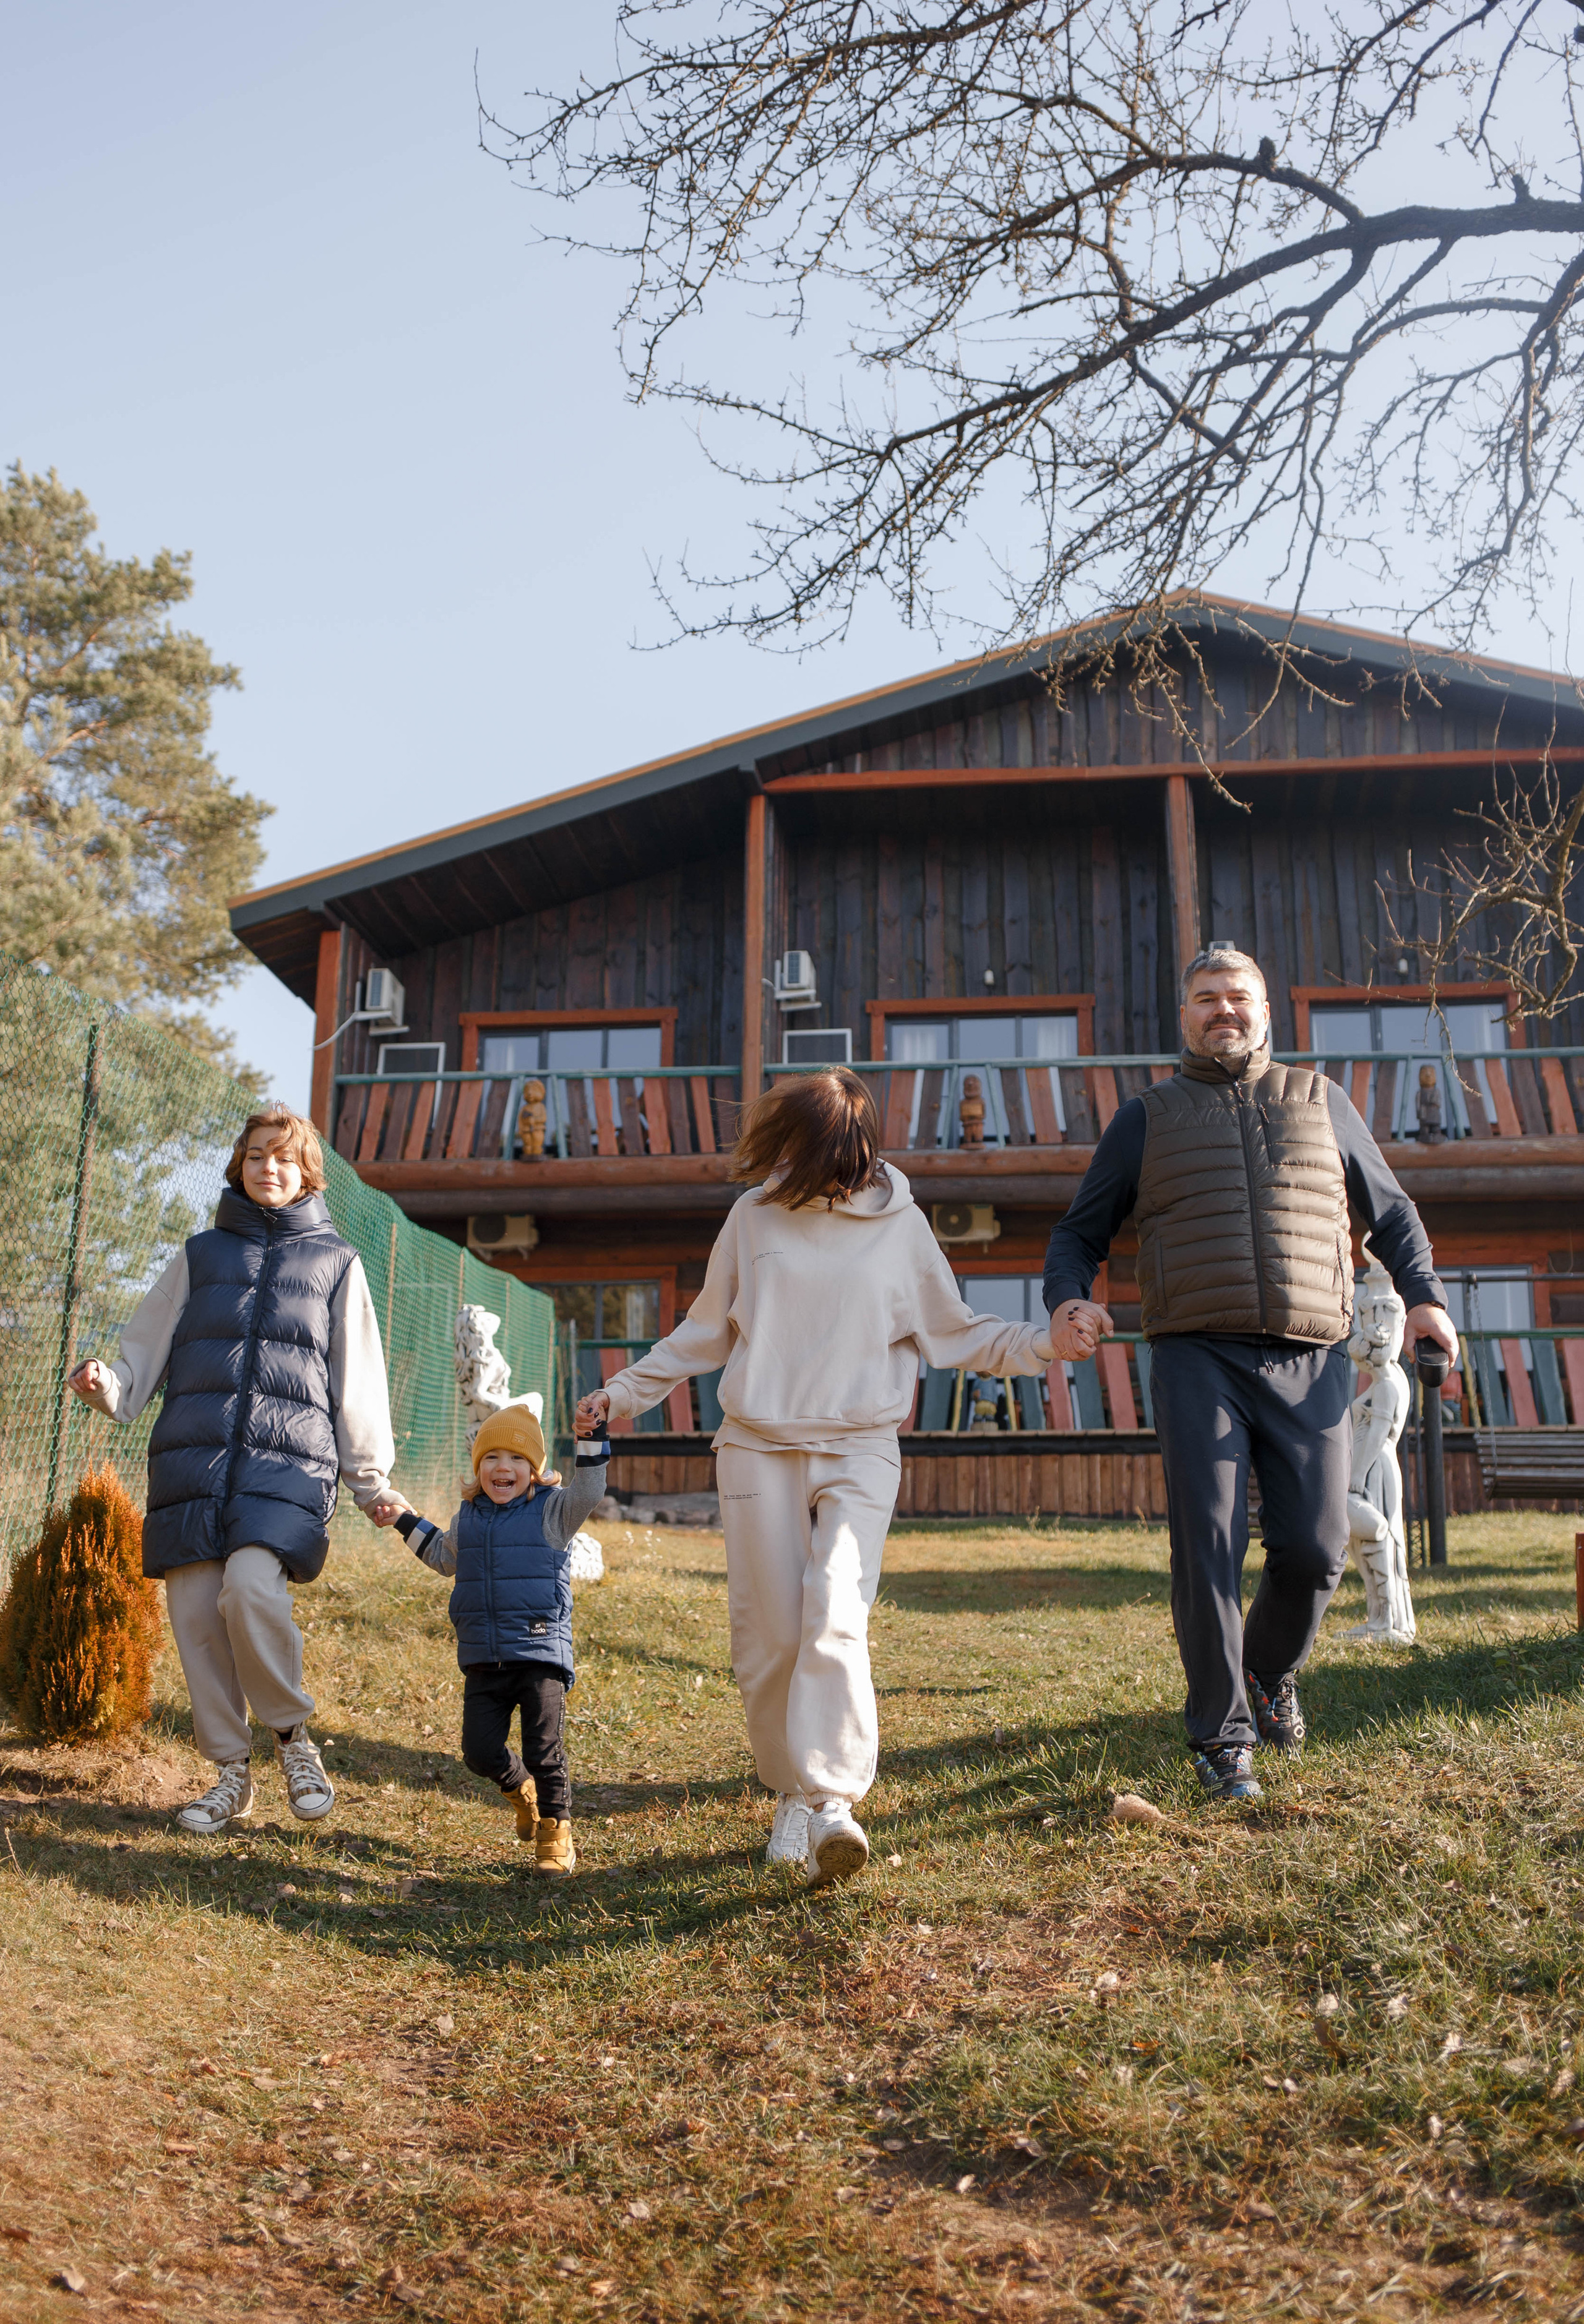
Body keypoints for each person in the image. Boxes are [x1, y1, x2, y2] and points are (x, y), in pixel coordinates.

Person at [574, 1067, 1057, 1888]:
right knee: (770, 1642)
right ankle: (791, 1791)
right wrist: (622, 1392)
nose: (827, 1177)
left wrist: (1047, 1346)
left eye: (839, 1160)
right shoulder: (754, 1215)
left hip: (861, 1447)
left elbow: (958, 1333)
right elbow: (702, 1334)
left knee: (835, 1610)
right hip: (757, 1445)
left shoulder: (901, 1227)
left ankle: (832, 1799)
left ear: (860, 1151)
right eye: (810, 1157)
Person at [1043, 945, 1457, 1803]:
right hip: (1199, 1352)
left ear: (1266, 1012)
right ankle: (1223, 1736)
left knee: (1315, 1547)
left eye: (1238, 997)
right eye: (1206, 998)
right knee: (1211, 1542)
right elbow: (1078, 1232)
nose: (1223, 1010)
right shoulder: (1147, 1117)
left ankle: (1268, 1672)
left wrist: (1424, 1299)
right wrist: (1067, 1301)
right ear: (1184, 1015)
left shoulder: (1320, 1099)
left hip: (1310, 1353)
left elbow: (1392, 1211)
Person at [67, 1104, 401, 1835]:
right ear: (239, 1166)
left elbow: (360, 1379)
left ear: (307, 1170)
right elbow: (140, 1357)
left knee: (252, 1592)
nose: (268, 1168)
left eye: (283, 1157)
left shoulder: (337, 1263)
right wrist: (106, 1386)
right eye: (256, 1156)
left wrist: (371, 1479)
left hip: (290, 1469)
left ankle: (291, 1738)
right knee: (194, 1617)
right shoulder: (199, 1255)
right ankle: (229, 1775)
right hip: (192, 1462)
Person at [387, 1404, 609, 1877]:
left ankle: (557, 1832)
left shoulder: (553, 1511)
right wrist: (404, 1519)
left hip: (539, 1654)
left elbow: (590, 1488)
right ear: (478, 1467)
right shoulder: (468, 1519)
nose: (502, 1467)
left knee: (543, 1750)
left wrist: (592, 1436)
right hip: (485, 1658)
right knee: (478, 1751)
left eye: (515, 1458)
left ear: (534, 1469)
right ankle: (520, 1791)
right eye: (491, 1457)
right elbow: (441, 1556)